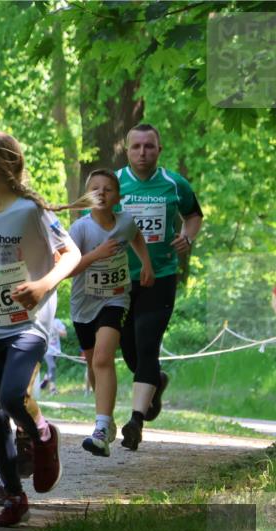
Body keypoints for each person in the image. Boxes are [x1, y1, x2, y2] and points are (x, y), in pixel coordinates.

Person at [0, 131, 83, 527]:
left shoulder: (30, 211)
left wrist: (44, 285)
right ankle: (14, 494)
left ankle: (42, 434)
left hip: (29, 323)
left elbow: (71, 253)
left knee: (11, 397)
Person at [116, 123, 204, 450]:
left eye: (149, 146)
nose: (143, 152)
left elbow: (193, 216)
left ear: (159, 150)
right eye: (136, 146)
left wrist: (187, 237)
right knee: (129, 350)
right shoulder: (115, 184)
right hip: (120, 279)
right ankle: (156, 382)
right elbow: (94, 221)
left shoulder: (173, 183)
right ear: (127, 150)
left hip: (161, 275)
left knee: (147, 342)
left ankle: (136, 421)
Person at [68, 169, 154, 457]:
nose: (102, 193)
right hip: (83, 305)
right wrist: (97, 254)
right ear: (87, 195)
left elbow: (137, 237)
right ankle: (107, 420)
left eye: (108, 189)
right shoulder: (79, 230)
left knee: (104, 358)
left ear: (118, 196)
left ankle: (101, 429)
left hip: (116, 299)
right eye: (95, 189)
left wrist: (146, 263)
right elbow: (66, 270)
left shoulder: (125, 222)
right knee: (94, 365)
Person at [39, 312, 67, 394]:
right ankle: (52, 388)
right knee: (52, 366)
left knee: (51, 369)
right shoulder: (42, 323)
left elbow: (64, 334)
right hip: (47, 350)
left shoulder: (57, 321)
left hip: (56, 351)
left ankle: (45, 379)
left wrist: (57, 329)